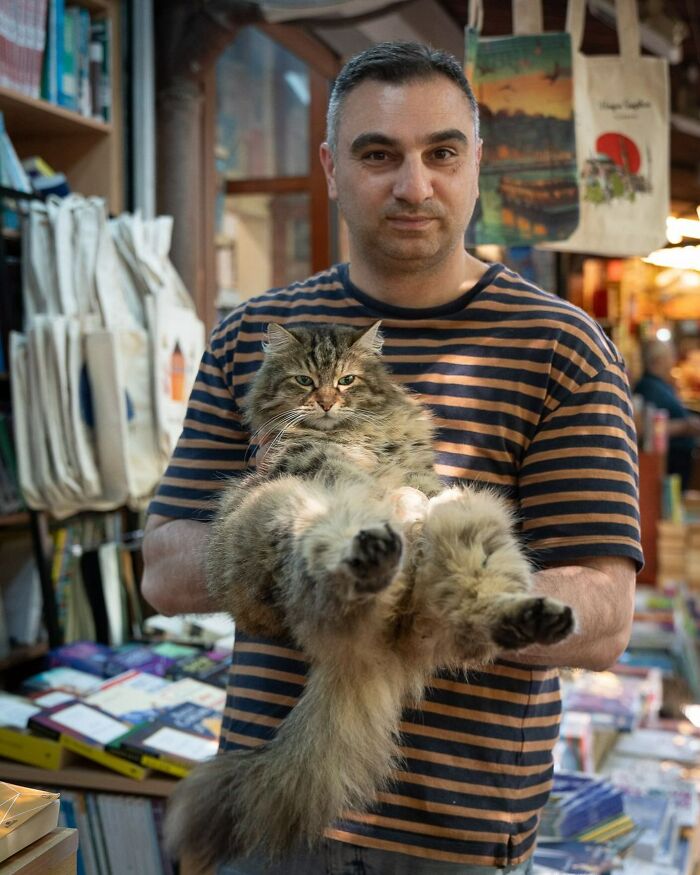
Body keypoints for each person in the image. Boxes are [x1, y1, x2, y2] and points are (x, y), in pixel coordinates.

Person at [142, 41, 641, 875]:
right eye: (380, 156)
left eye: (441, 152)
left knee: (460, 535)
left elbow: (604, 616)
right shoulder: (254, 338)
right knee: (305, 522)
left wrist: (419, 594)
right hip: (277, 831)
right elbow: (163, 568)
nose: (415, 186)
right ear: (333, 167)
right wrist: (310, 559)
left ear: (478, 160)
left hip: (454, 842)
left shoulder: (562, 348)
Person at [634, 339, 700, 491]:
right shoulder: (649, 387)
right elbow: (646, 427)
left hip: (675, 460)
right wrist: (685, 426)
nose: (673, 362)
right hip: (667, 462)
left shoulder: (661, 385)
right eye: (670, 357)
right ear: (658, 360)